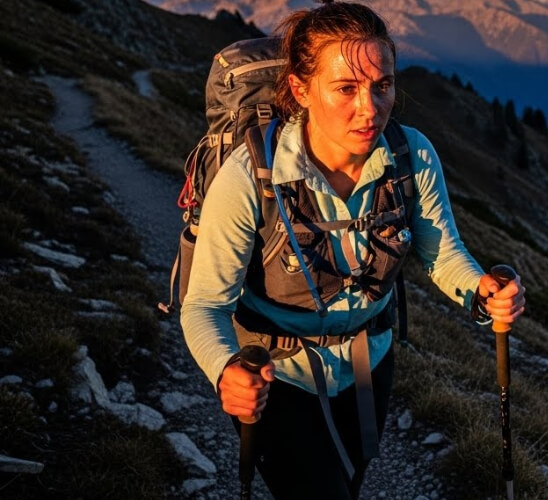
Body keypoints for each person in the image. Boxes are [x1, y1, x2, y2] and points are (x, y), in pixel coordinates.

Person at [180, 1, 526, 498]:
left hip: (369, 365)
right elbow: (204, 305)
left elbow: (442, 254)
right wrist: (226, 370)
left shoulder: (411, 155)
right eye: (346, 88)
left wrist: (482, 291)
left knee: (349, 481)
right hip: (279, 376)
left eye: (382, 85)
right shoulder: (249, 176)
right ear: (302, 89)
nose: (370, 108)